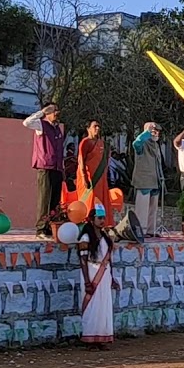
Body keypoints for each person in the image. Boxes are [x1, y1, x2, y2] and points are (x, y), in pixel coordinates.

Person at [78, 203, 119, 350]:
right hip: (91, 272)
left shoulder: (105, 236)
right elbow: (82, 260)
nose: (102, 221)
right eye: (99, 218)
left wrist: (112, 278)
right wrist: (87, 281)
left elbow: (109, 259)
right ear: (91, 219)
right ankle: (90, 339)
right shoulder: (85, 237)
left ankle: (101, 337)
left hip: (105, 274)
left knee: (103, 306)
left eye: (103, 218)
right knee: (92, 307)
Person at [23, 103, 65, 239]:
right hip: (45, 167)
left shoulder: (58, 129)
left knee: (55, 200)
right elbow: (26, 122)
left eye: (57, 110)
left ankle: (50, 228)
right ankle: (41, 229)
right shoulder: (41, 125)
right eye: (53, 111)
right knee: (45, 199)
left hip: (57, 167)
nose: (56, 113)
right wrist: (42, 112)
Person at [131, 122, 166, 237]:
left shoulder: (155, 145)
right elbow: (136, 144)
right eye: (154, 130)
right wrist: (146, 133)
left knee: (153, 208)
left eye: (158, 131)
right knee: (142, 207)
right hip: (144, 180)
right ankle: (141, 230)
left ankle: (151, 230)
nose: (157, 133)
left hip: (155, 180)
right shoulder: (142, 143)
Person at [77, 121, 114, 226]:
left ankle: (101, 224)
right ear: (88, 128)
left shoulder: (102, 143)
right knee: (89, 201)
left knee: (101, 202)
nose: (97, 128)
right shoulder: (85, 142)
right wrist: (84, 178)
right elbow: (81, 161)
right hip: (89, 179)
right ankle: (86, 224)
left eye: (98, 126)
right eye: (94, 126)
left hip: (101, 180)